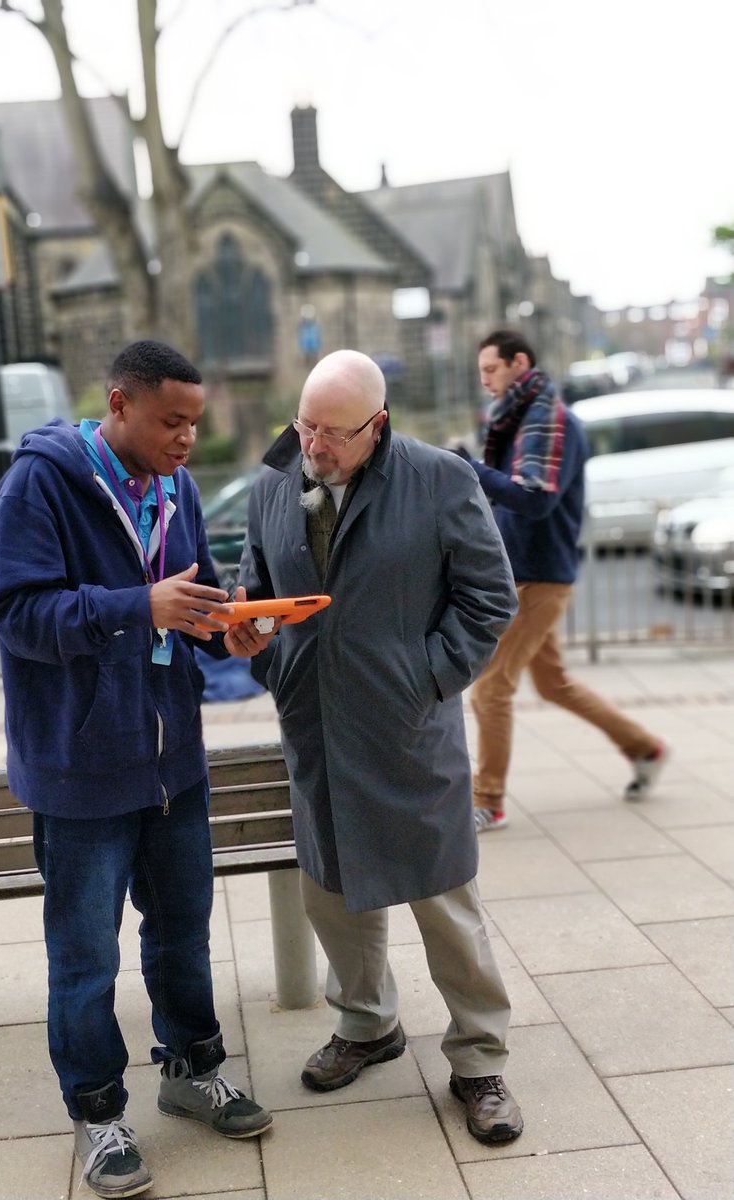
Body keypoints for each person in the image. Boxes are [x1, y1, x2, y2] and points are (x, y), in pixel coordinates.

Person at [0, 340, 273, 1200]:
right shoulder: (39, 482)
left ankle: (191, 1069)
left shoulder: (176, 487)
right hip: (80, 765)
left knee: (183, 932)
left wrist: (232, 626)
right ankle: (98, 1111)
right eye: (171, 421)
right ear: (119, 405)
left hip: (171, 760)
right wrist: (135, 606)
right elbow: (19, 614)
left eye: (195, 420)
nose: (188, 438)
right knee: (83, 959)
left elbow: (198, 593)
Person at [239, 349, 525, 1146]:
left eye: (334, 433)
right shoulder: (273, 478)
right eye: (305, 426)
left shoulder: (438, 479)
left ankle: (480, 1060)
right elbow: (251, 581)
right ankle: (366, 1025)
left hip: (407, 730)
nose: (315, 447)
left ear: (379, 425)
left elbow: (489, 596)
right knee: (331, 892)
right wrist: (260, 647)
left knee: (444, 899)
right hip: (317, 731)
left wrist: (426, 678)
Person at [466, 329, 668, 832]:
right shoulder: (520, 421)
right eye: (482, 373)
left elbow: (536, 499)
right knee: (553, 684)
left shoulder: (551, 421)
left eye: (491, 370)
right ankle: (647, 747)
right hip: (528, 571)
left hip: (540, 577)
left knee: (490, 689)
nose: (486, 381)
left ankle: (487, 801)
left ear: (520, 363)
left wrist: (470, 471)